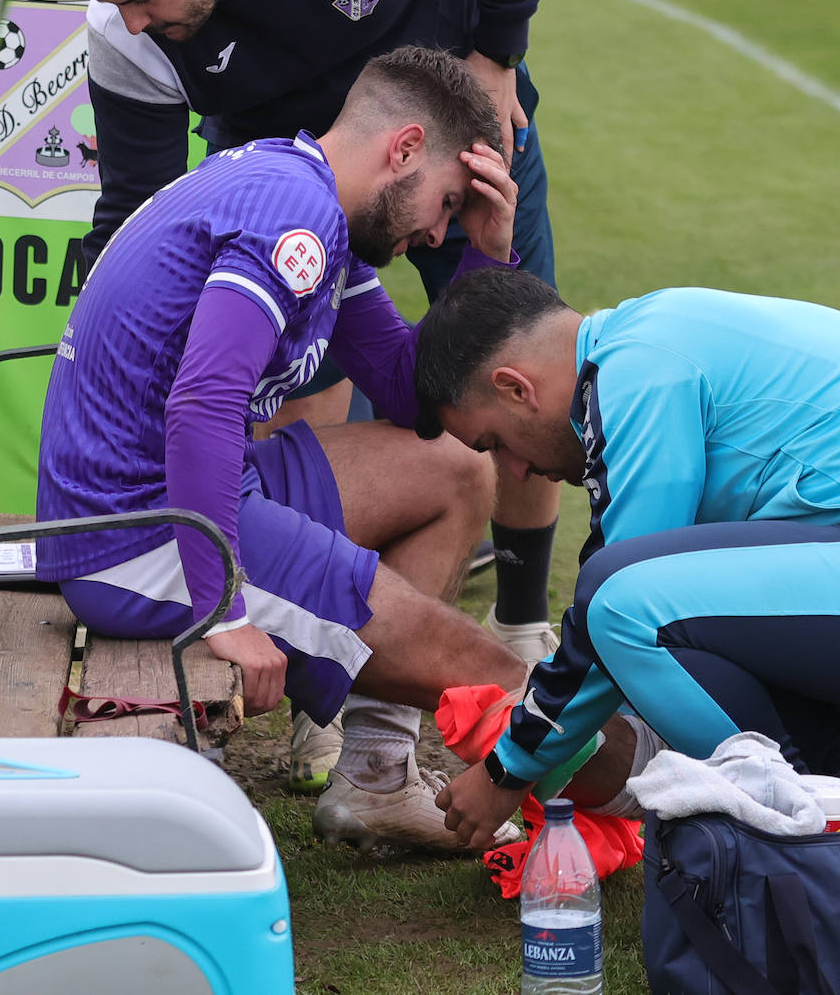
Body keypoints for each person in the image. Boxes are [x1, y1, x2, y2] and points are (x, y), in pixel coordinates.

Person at [63, 0, 563, 702]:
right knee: (498, 685)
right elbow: (141, 240)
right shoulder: (284, 212)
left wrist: (497, 54)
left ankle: (503, 635)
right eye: (114, 3)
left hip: (445, 143)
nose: (128, 23)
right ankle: (328, 681)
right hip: (321, 216)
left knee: (503, 385)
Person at [36, 47, 533, 852]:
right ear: (403, 149)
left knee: (456, 469)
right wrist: (222, 605)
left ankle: (376, 779)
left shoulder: (313, 199)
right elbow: (202, 403)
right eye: (445, 203)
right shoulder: (293, 218)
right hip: (140, 535)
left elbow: (418, 398)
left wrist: (486, 253)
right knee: (494, 671)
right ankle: (649, 796)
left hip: (191, 487)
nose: (438, 228)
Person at [411, 271, 840, 848]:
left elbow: (613, 600)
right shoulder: (645, 337)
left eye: (495, 441)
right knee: (658, 608)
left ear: (515, 386)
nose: (515, 467)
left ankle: (807, 839)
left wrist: (508, 770)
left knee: (624, 600)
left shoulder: (635, 370)